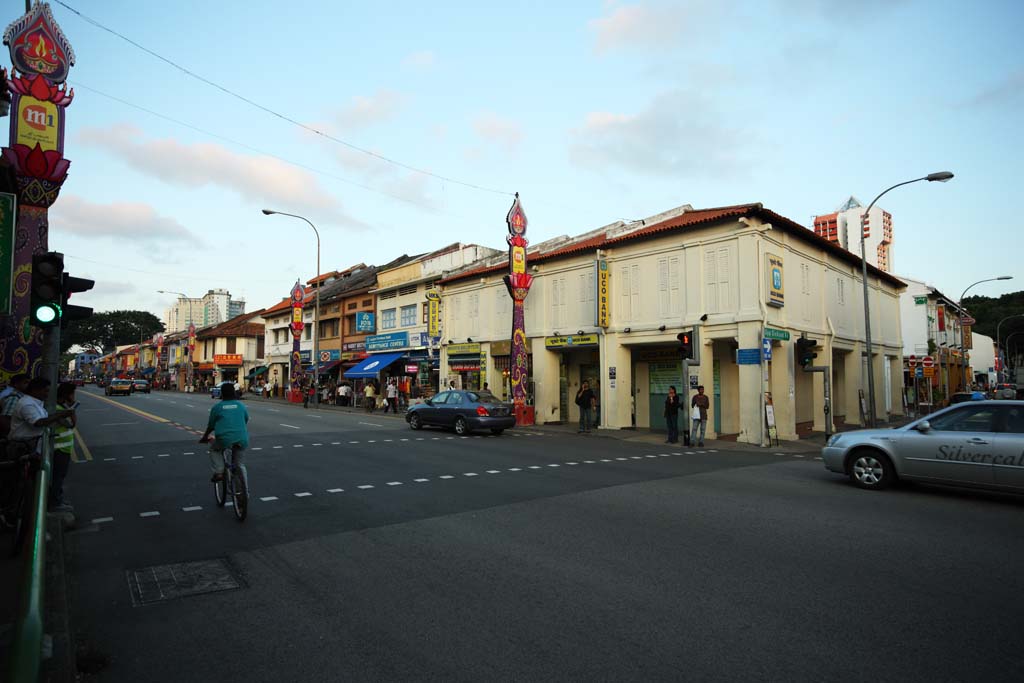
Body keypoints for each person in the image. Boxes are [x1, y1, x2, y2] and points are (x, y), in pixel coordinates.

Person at [199, 382, 250, 483]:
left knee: (214, 449)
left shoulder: (217, 407)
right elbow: (246, 419)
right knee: (240, 464)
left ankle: (219, 472)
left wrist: (205, 437)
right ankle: (244, 493)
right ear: (234, 393)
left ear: (222, 393)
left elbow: (211, 426)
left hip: (223, 440)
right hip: (242, 439)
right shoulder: (241, 406)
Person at [50, 382, 77, 512]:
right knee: (57, 476)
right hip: (58, 448)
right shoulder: (58, 408)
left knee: (59, 476)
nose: (74, 396)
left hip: (62, 448)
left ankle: (58, 498)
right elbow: (71, 424)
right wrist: (71, 410)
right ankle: (55, 502)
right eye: (72, 393)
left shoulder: (61, 406)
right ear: (67, 394)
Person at [0, 373, 31, 438]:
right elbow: (5, 419)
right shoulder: (14, 398)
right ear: (16, 384)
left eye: (29, 383)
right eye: (25, 383)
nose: (29, 385)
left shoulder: (22, 397)